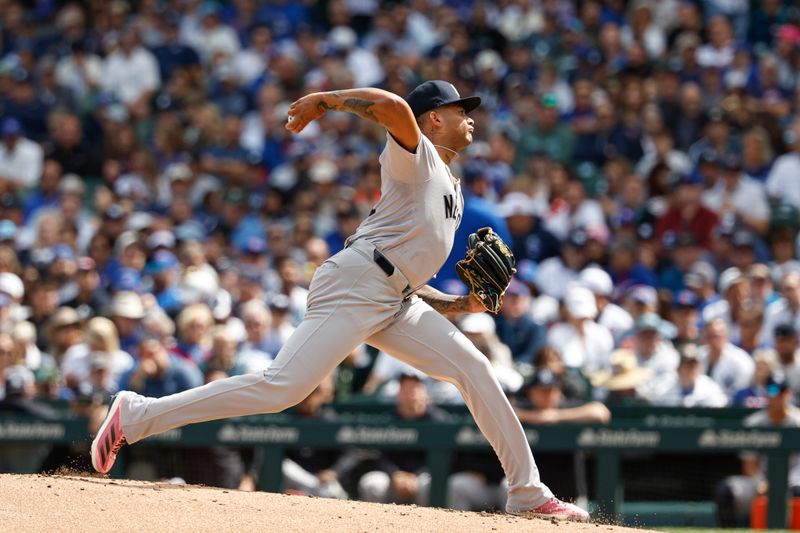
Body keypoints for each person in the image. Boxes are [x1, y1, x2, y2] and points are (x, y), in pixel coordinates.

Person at [91, 81, 588, 520]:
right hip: (357, 283)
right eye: (461, 109)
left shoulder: (449, 187)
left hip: (393, 295)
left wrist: (460, 307)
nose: (470, 116)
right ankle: (136, 414)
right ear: (435, 117)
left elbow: (406, 275)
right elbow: (393, 104)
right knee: (281, 388)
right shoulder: (419, 155)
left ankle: (527, 492)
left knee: (473, 367)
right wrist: (325, 100)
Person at [714, 374, 800, 527]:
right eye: (773, 391)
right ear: (766, 393)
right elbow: (749, 465)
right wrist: (762, 483)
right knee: (725, 490)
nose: (777, 396)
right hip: (761, 483)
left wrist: (785, 485)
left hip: (793, 482)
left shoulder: (798, 421)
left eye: (782, 391)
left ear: (788, 393)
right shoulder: (754, 423)